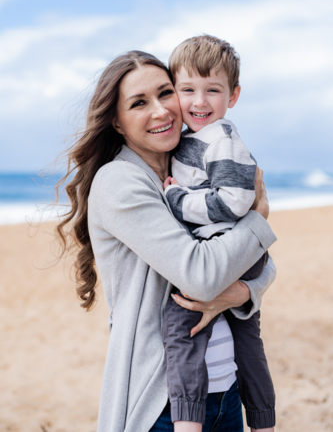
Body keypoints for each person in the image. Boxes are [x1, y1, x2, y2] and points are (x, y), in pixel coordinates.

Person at [55, 49, 277, 432]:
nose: (161, 111)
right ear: (118, 122)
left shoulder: (194, 168)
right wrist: (257, 219)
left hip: (225, 390)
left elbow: (260, 262)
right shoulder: (120, 181)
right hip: (164, 404)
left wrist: (242, 291)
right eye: (139, 103)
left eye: (166, 93)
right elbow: (202, 275)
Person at [163, 35, 275, 432]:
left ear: (234, 95)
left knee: (182, 328)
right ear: (173, 90)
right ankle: (263, 422)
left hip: (228, 249)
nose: (199, 102)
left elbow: (232, 202)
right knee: (248, 342)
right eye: (187, 89)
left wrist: (176, 197)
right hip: (237, 249)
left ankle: (189, 421)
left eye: (213, 90)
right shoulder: (194, 139)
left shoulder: (220, 139)